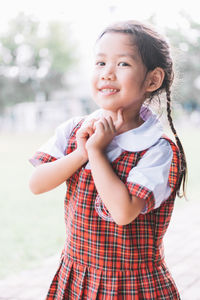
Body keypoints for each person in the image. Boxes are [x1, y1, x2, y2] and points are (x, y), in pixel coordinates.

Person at [29, 20, 187, 299]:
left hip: (131, 286)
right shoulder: (75, 130)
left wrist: (97, 153)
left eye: (122, 64)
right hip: (78, 275)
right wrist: (82, 151)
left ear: (152, 79)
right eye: (100, 63)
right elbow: (37, 184)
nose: (107, 74)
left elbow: (123, 213)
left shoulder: (157, 150)